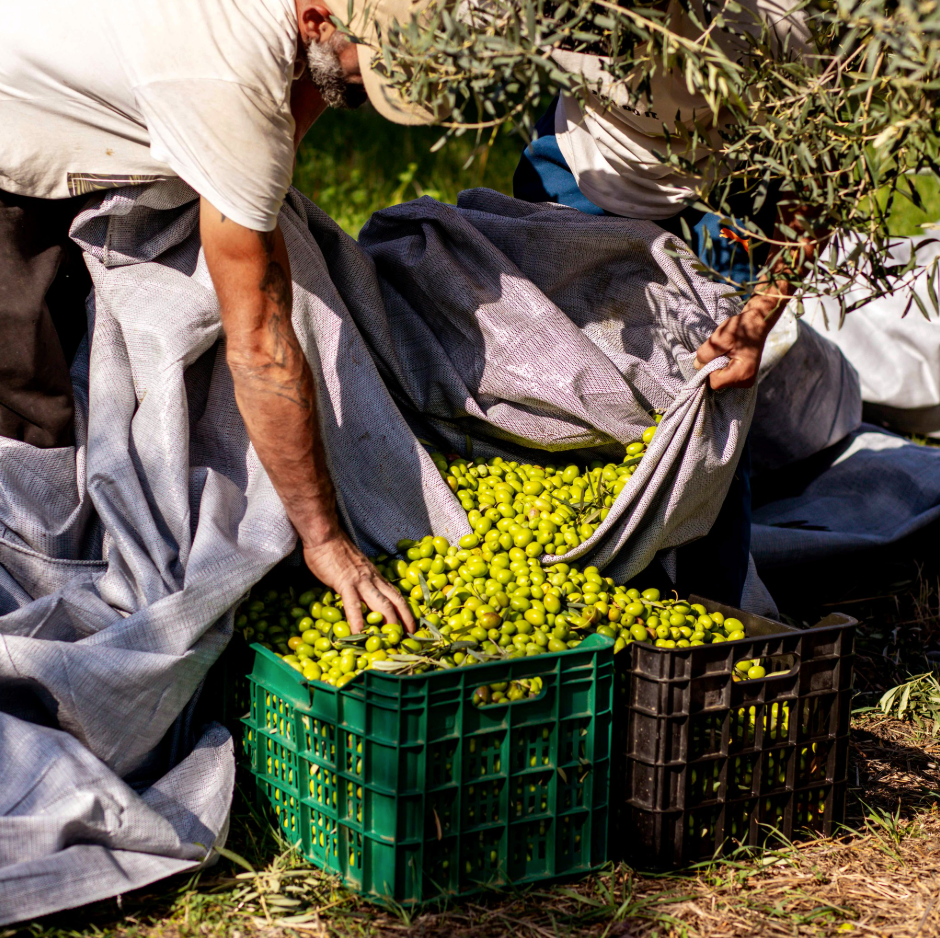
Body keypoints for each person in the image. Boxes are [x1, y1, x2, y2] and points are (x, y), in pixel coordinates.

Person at [0, 0, 433, 633]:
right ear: (316, 21)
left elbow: (300, 96)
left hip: (79, 83)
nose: (370, 86)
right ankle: (33, 606)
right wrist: (323, 540)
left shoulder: (283, 32)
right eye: (370, 66)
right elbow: (260, 345)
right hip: (15, 125)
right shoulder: (224, 73)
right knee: (32, 412)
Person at [513, 0, 814, 605]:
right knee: (557, 370)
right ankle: (589, 582)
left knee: (715, 395)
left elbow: (819, 188)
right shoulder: (574, 18)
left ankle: (709, 611)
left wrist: (756, 321)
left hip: (730, 179)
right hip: (584, 159)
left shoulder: (779, 33)